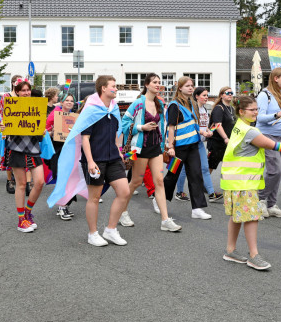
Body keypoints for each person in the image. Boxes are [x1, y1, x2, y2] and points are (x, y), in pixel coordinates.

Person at [222, 95, 281, 271]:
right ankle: (254, 256)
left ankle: (230, 250)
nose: (256, 112)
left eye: (257, 109)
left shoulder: (239, 126)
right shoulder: (251, 131)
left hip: (234, 181)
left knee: (237, 216)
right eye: (252, 110)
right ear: (241, 111)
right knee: (252, 217)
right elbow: (275, 145)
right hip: (244, 182)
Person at [47, 76, 131, 246]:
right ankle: (92, 234)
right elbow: (85, 139)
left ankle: (111, 229)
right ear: (103, 89)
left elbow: (116, 133)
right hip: (95, 160)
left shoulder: (114, 109)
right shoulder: (91, 109)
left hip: (113, 158)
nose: (116, 89)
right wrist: (91, 162)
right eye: (113, 87)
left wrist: (119, 150)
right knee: (94, 197)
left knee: (124, 192)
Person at [120, 73, 182, 232]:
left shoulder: (160, 104)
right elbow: (124, 124)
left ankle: (165, 220)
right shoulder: (138, 104)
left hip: (156, 148)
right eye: (155, 82)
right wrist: (142, 127)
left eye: (159, 82)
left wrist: (166, 145)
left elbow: (163, 127)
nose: (158, 85)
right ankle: (122, 211)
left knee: (159, 181)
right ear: (146, 85)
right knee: (135, 182)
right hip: (140, 149)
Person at [0, 80, 49, 232]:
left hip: (33, 149)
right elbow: (4, 132)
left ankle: (28, 212)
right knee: (20, 185)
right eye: (23, 90)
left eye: (28, 90)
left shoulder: (36, 107)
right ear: (17, 92)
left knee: (39, 182)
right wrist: (3, 128)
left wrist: (43, 132)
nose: (26, 92)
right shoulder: (11, 107)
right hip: (16, 149)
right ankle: (21, 220)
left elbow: (39, 133)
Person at [164, 77, 211, 219]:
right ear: (180, 88)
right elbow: (171, 127)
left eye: (192, 85)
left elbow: (192, 123)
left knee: (196, 175)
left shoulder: (192, 103)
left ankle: (197, 209)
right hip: (178, 147)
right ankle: (158, 199)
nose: (191, 88)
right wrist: (170, 146)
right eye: (187, 86)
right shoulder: (174, 105)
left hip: (193, 145)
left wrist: (202, 132)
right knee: (172, 175)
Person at [256, 68, 281, 218]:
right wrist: (276, 114)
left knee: (278, 173)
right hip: (268, 137)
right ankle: (260, 199)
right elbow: (259, 118)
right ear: (275, 78)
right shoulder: (264, 95)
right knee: (275, 170)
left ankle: (271, 204)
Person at [175, 87, 220, 203]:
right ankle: (178, 192)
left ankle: (211, 194)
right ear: (197, 96)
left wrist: (210, 131)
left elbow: (206, 126)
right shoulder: (192, 110)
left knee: (205, 168)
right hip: (188, 142)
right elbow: (191, 126)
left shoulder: (204, 109)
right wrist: (202, 132)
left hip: (199, 143)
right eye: (204, 95)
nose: (206, 97)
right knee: (182, 168)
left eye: (207, 95)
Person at [46, 92, 77, 220]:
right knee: (63, 178)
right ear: (62, 102)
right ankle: (61, 207)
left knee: (70, 178)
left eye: (71, 101)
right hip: (58, 150)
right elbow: (46, 130)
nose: (69, 102)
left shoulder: (74, 117)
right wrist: (52, 132)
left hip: (70, 150)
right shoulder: (55, 114)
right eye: (67, 100)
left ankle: (64, 205)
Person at [207, 86, 235, 192]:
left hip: (228, 143)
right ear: (221, 95)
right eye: (227, 93)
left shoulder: (231, 108)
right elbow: (218, 124)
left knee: (228, 165)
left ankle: (227, 185)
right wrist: (225, 138)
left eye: (231, 93)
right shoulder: (219, 108)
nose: (230, 95)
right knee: (211, 165)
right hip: (217, 142)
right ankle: (204, 184)